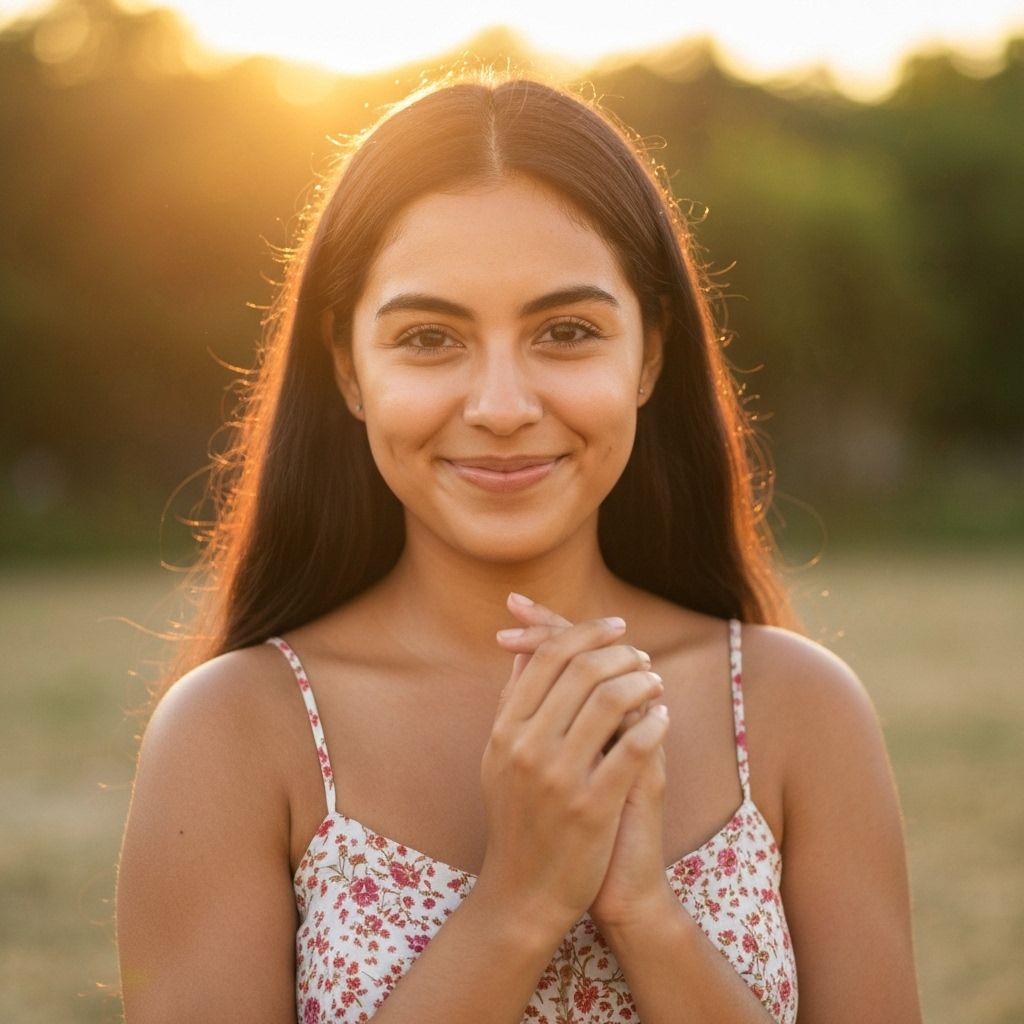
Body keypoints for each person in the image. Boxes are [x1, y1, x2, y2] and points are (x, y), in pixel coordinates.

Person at [116, 73, 922, 1023]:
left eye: (568, 331)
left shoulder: (798, 711)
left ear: (651, 355)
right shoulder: (235, 735)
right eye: (428, 338)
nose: (501, 407)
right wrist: (519, 903)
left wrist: (645, 913)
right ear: (349, 369)